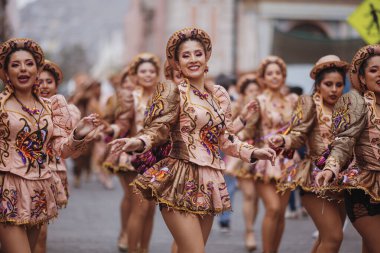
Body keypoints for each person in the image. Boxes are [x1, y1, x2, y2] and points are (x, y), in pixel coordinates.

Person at [109, 27, 276, 253]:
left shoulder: (220, 95)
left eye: (197, 53)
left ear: (206, 56)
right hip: (179, 178)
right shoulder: (172, 92)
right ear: (177, 63)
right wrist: (138, 142)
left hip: (210, 182)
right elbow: (157, 130)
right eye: (185, 55)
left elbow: (225, 139)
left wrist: (254, 152)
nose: (193, 59)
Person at [0, 38, 100, 253]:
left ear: (37, 69)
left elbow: (60, 149)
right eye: (15, 65)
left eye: (29, 63)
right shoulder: (1, 106)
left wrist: (79, 132)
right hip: (7, 188)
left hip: (39, 189)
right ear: (6, 73)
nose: (23, 69)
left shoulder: (51, 106)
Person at [269, 55, 348, 253]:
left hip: (343, 180)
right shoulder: (310, 104)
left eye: (339, 85)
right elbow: (297, 134)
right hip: (314, 179)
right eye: (328, 84)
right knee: (334, 236)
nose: (334, 89)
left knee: (326, 237)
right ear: (318, 85)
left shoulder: (348, 109)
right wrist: (284, 140)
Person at [316, 45, 380, 253]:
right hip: (364, 188)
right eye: (373, 70)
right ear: (361, 77)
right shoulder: (356, 102)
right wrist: (331, 167)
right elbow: (344, 140)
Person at [240, 56, 299, 253]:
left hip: (288, 160)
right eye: (270, 73)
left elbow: (299, 130)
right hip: (265, 160)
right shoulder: (258, 101)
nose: (274, 76)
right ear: (263, 78)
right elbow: (247, 132)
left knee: (281, 213)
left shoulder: (292, 101)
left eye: (278, 73)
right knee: (272, 208)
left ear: (283, 76)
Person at [105, 52, 161, 253]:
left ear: (157, 74)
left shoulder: (163, 97)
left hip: (157, 158)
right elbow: (122, 123)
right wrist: (109, 130)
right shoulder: (130, 97)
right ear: (136, 75)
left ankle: (144, 248)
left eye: (151, 71)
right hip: (133, 157)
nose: (147, 75)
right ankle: (132, 248)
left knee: (151, 209)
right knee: (140, 206)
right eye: (143, 71)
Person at [34, 60, 81, 253]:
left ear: (56, 84)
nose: (43, 86)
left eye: (48, 81)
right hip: (16, 175)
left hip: (48, 174)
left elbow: (67, 145)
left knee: (40, 230)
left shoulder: (66, 110)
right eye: (39, 81)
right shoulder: (13, 107)